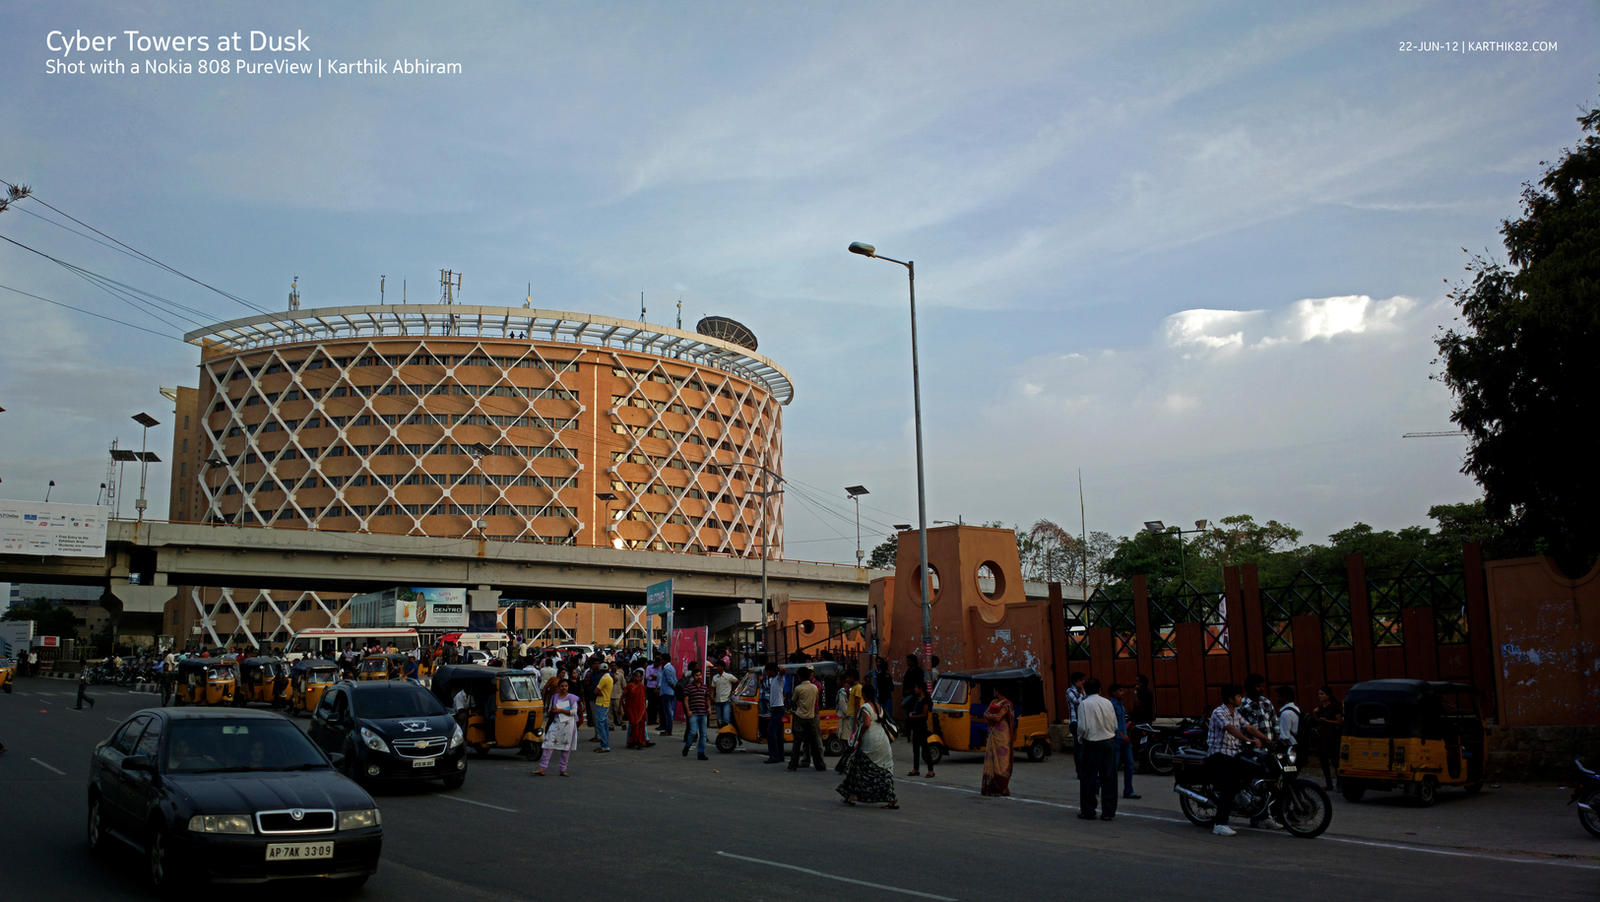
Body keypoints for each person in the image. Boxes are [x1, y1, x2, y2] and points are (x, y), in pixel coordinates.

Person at [1206, 683, 1272, 836]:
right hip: (1219, 755)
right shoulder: (1219, 712)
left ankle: (1260, 817)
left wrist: (1267, 739)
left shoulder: (1236, 713)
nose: (1240, 698)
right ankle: (1220, 824)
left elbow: (1249, 727)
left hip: (1234, 753)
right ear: (1230, 698)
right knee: (1229, 784)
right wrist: (1247, 739)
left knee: (1257, 771)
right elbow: (1230, 728)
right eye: (1238, 696)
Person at [836, 683, 898, 809]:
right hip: (882, 740)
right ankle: (890, 798)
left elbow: (867, 724)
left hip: (870, 741)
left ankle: (852, 795)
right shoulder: (879, 706)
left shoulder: (865, 707)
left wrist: (859, 735)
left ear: (864, 694)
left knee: (859, 768)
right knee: (883, 770)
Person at [1076, 678, 1119, 820]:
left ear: (1085, 691)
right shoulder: (1107, 702)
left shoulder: (1084, 704)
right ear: (1100, 690)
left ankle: (1088, 810)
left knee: (1089, 778)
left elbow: (1082, 727)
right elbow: (1114, 723)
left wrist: (1080, 738)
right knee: (1109, 777)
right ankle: (1108, 811)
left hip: (1092, 742)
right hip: (1108, 740)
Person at [534, 677, 581, 776]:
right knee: (548, 744)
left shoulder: (572, 698)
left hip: (568, 725)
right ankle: (542, 768)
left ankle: (563, 769)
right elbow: (551, 709)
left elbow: (573, 712)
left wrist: (560, 710)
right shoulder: (555, 697)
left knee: (565, 748)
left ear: (568, 687)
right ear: (559, 687)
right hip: (556, 722)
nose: (564, 688)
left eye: (566, 686)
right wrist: (553, 711)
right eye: (562, 686)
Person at [787, 666, 826, 772]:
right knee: (814, 743)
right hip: (811, 716)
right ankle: (820, 765)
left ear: (799, 677)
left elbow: (793, 700)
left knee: (797, 743)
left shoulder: (798, 688)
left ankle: (793, 764)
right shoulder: (814, 687)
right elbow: (816, 700)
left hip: (800, 716)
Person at [982, 685, 1016, 796]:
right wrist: (991, 715)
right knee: (991, 759)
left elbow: (998, 717)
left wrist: (990, 716)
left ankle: (1001, 787)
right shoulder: (994, 701)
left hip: (1002, 736)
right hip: (993, 733)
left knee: (1002, 761)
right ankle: (991, 788)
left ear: (998, 691)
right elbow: (985, 714)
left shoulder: (1007, 704)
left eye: (995, 689)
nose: (993, 691)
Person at [1109, 683, 1139, 799]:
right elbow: (1112, 723)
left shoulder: (1121, 704)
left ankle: (1128, 790)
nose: (1123, 693)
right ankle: (1100, 786)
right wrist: (1122, 735)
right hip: (1117, 739)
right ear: (1114, 693)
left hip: (1125, 739)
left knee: (1129, 765)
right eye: (1120, 691)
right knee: (1113, 766)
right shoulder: (1111, 705)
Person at [761, 662, 792, 764]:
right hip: (776, 708)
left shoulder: (779, 677)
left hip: (777, 708)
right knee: (778, 733)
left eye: (768, 671)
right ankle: (780, 756)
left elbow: (783, 670)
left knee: (771, 732)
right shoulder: (774, 679)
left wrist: (777, 667)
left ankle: (774, 756)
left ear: (772, 670)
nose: (767, 673)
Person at [1313, 685, 1342, 790]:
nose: (1319, 696)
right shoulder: (1321, 707)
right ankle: (1328, 783)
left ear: (1328, 695)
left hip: (1333, 736)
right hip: (1322, 737)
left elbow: (1339, 722)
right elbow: (1318, 721)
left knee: (1335, 761)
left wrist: (1326, 721)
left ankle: (1339, 784)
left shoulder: (1335, 706)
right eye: (1319, 694)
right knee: (1324, 761)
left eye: (1322, 694)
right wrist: (1315, 713)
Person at [903, 680, 933, 778]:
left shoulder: (925, 700)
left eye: (916, 688)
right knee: (915, 749)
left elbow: (924, 715)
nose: (915, 689)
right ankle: (916, 769)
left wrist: (913, 716)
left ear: (921, 689)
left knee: (925, 748)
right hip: (915, 726)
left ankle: (930, 770)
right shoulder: (917, 699)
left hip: (922, 727)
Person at [681, 669, 712, 760]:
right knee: (693, 732)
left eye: (700, 675)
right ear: (693, 677)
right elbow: (686, 700)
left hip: (703, 713)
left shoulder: (704, 687)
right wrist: (688, 711)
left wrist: (709, 707)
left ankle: (701, 753)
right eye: (697, 675)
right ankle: (687, 746)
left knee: (703, 734)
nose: (699, 677)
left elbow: (707, 699)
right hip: (693, 713)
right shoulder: (689, 687)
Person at [624, 669, 652, 749]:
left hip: (640, 710)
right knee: (633, 725)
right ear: (633, 677)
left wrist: (644, 710)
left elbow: (643, 698)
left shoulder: (641, 686)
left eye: (639, 677)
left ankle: (639, 741)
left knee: (640, 726)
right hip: (631, 709)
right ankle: (632, 742)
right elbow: (624, 696)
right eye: (636, 676)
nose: (638, 678)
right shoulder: (630, 686)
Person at [591, 663, 614, 752]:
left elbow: (596, 691)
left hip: (601, 703)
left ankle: (605, 745)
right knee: (604, 725)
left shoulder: (604, 678)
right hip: (606, 702)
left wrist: (599, 692)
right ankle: (605, 744)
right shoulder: (610, 678)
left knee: (600, 725)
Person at [1066, 671, 1086, 768]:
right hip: (1075, 722)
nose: (1083, 683)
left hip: (1084, 721)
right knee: (1078, 748)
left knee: (1084, 747)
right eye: (1082, 681)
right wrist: (1082, 693)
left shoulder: (1081, 691)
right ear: (1076, 681)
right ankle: (1079, 770)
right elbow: (1078, 702)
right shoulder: (1070, 691)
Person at [711, 662, 738, 730]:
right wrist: (712, 696)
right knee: (719, 720)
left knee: (726, 719)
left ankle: (728, 734)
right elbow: (713, 688)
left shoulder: (728, 676)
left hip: (726, 700)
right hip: (718, 700)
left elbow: (737, 682)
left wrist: (733, 692)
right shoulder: (715, 677)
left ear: (722, 667)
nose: (717, 668)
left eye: (718, 666)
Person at [658, 655, 678, 737]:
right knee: (668, 712)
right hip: (669, 692)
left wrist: (674, 688)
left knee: (668, 712)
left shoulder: (667, 669)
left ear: (664, 660)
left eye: (661, 660)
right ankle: (668, 729)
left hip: (667, 692)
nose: (660, 661)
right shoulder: (671, 668)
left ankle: (668, 730)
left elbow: (670, 681)